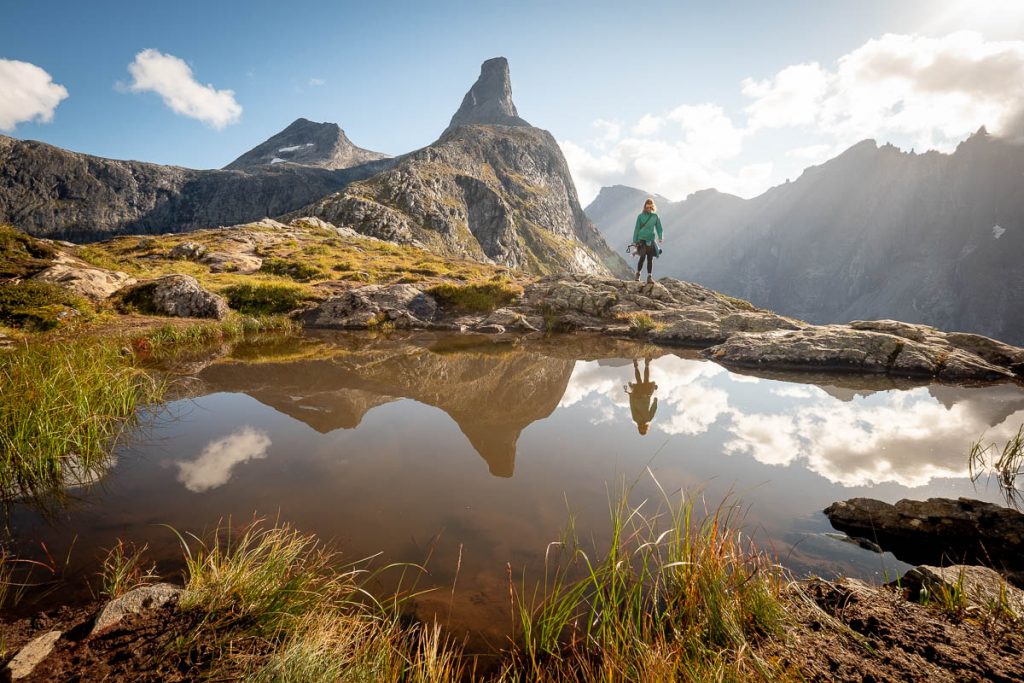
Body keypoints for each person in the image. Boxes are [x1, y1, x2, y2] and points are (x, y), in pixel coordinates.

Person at [632, 198, 664, 283]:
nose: (649, 208)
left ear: (653, 207)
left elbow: (659, 228)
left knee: (650, 258)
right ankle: (638, 274)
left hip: (651, 240)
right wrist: (635, 241)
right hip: (641, 240)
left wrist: (660, 237)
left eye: (650, 206)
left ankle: (649, 277)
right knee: (642, 257)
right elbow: (637, 229)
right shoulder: (640, 216)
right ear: (645, 206)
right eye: (647, 206)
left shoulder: (655, 216)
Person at [625, 357, 658, 435]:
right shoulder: (647, 419)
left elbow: (632, 406)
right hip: (645, 396)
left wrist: (631, 395)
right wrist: (655, 401)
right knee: (645, 379)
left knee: (640, 380)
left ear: (639, 428)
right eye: (644, 430)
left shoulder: (637, 419)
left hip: (639, 396)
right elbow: (653, 408)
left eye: (641, 429)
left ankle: (636, 364)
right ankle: (645, 363)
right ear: (646, 429)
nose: (643, 428)